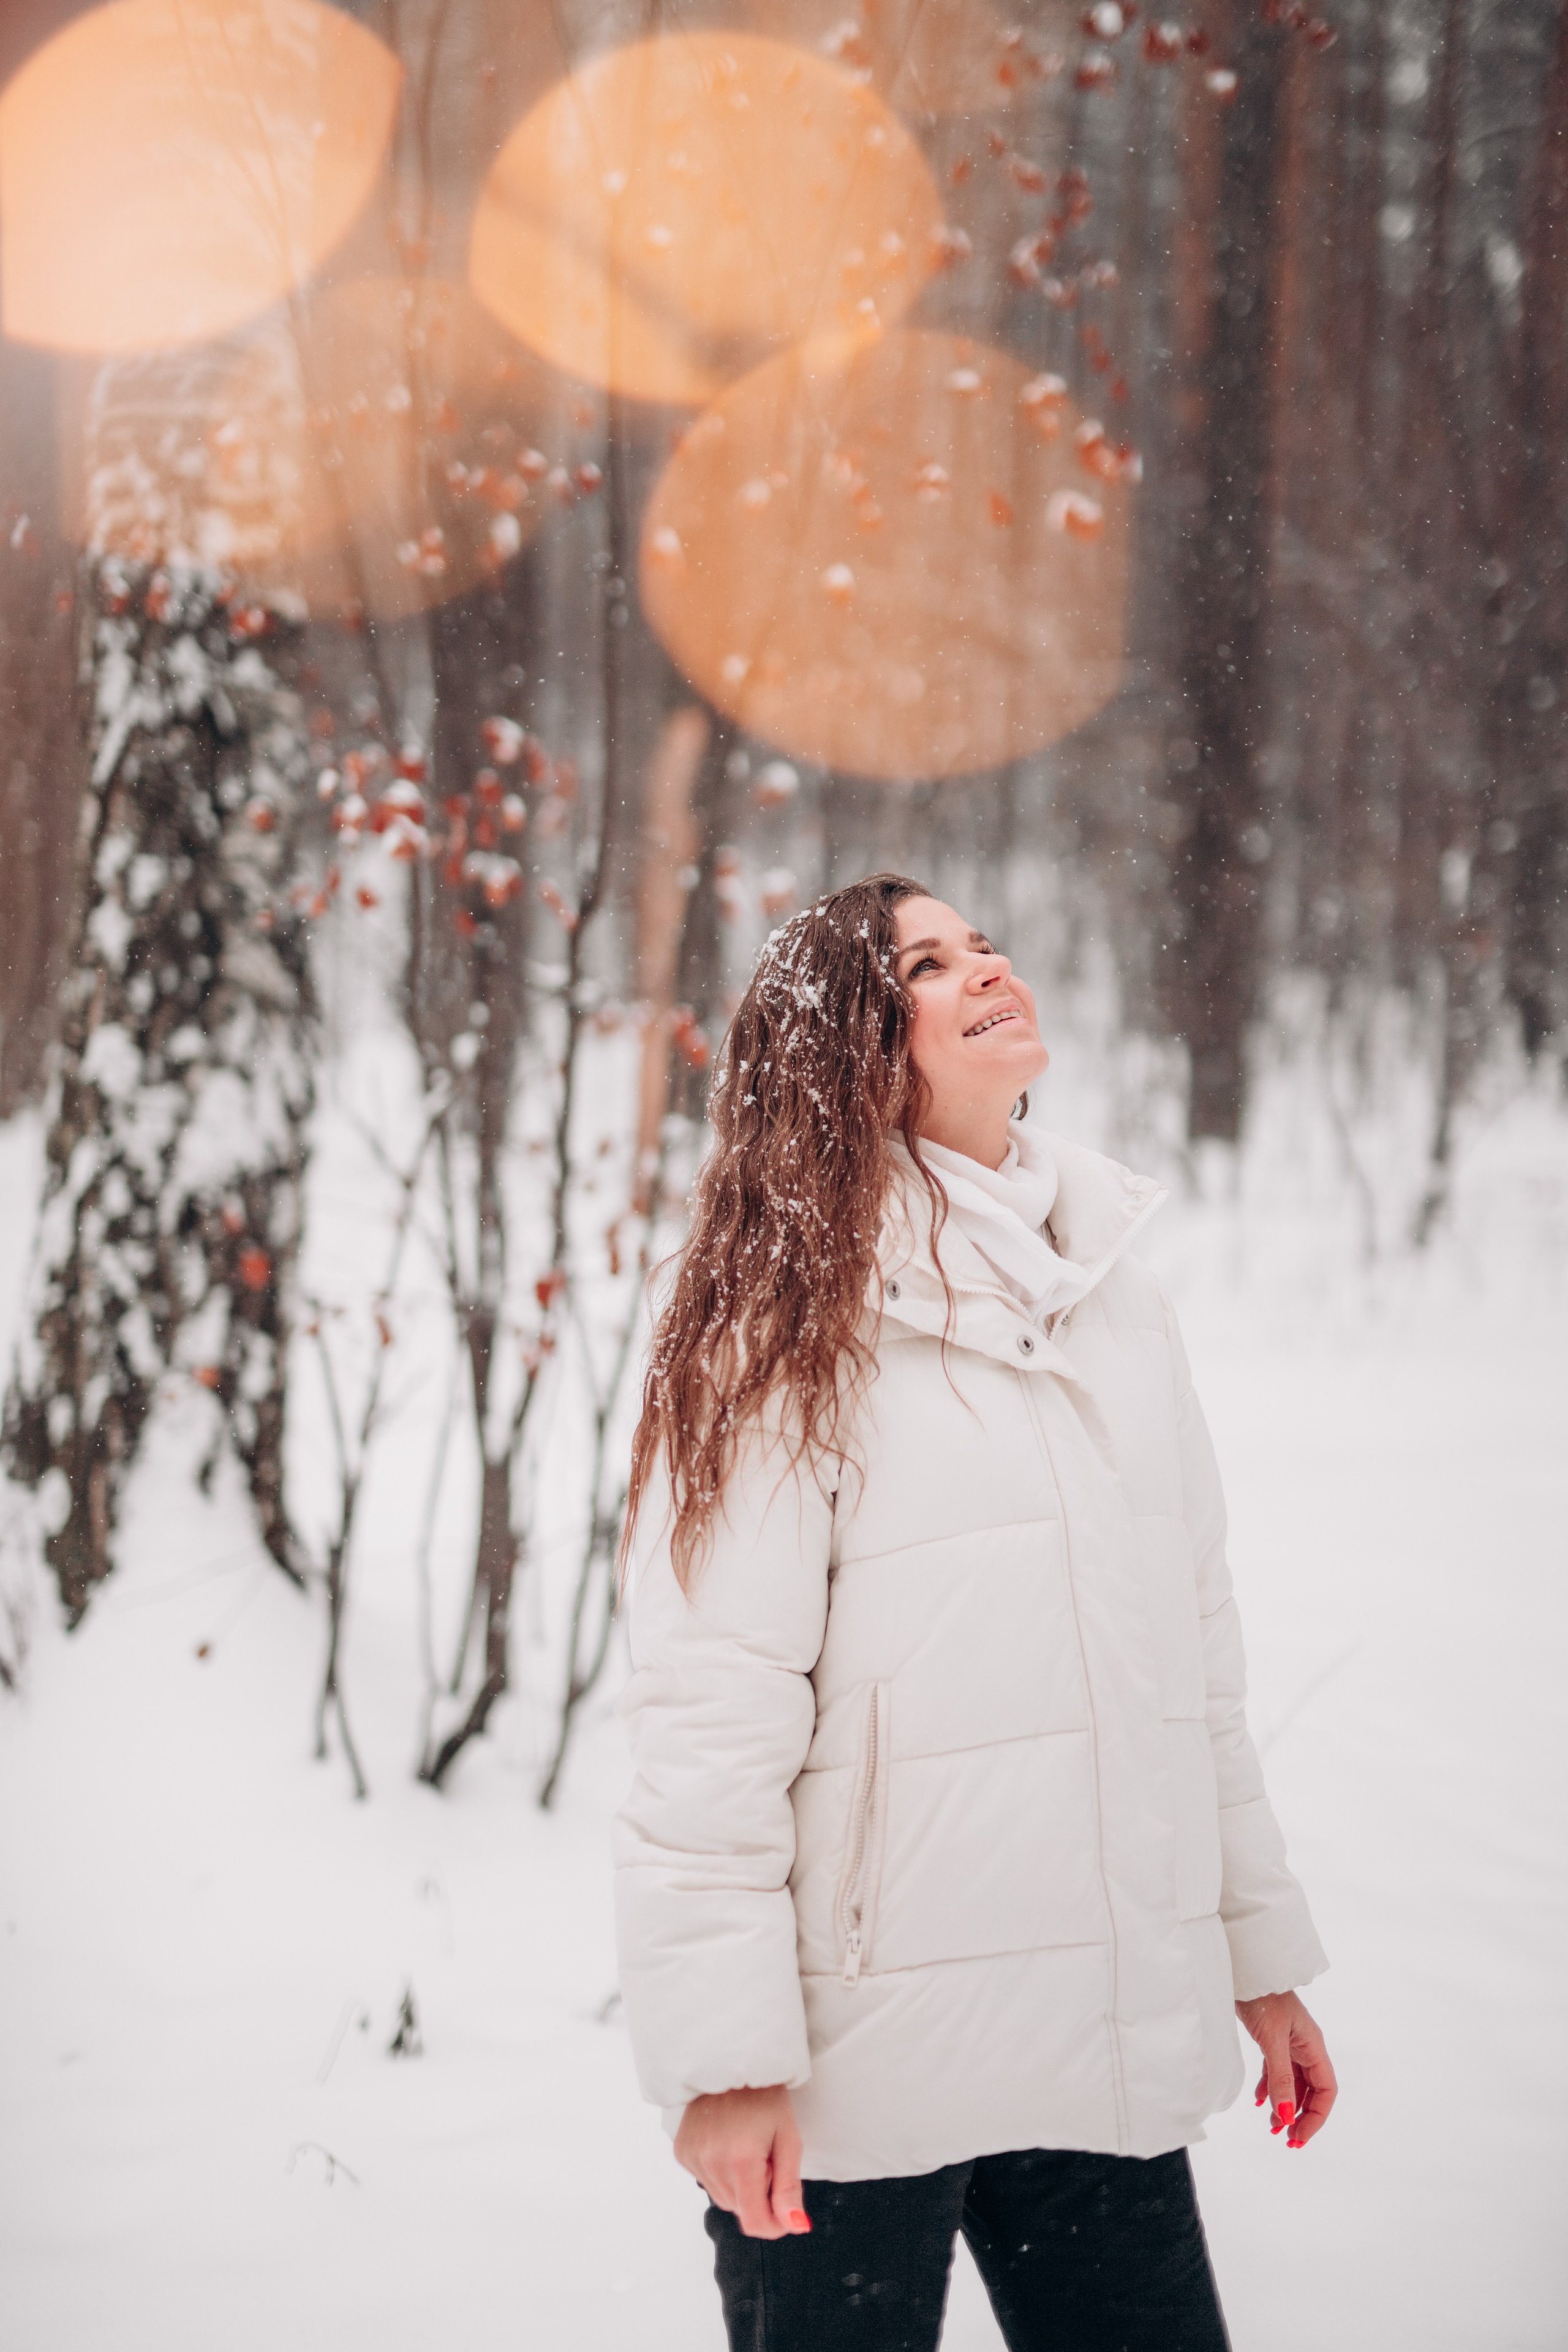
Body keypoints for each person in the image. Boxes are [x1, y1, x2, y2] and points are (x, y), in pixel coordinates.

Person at [614, 873, 1335, 2351]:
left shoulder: (1110, 1298)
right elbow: (710, 1717)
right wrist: (727, 2062)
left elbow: (1191, 1673)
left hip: (1097, 2033)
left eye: (982, 944)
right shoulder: (778, 1321)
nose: (985, 968)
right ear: (849, 1048)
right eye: (927, 966)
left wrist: (1258, 1956)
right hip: (854, 2071)